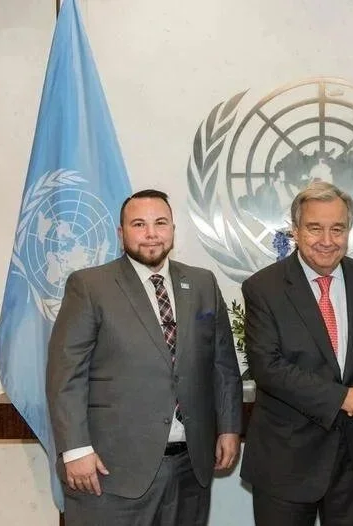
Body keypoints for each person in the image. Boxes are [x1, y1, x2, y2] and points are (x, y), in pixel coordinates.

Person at [46, 189, 243, 526]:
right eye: (139, 224)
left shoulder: (202, 283)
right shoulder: (90, 286)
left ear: (172, 230)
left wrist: (228, 428)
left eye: (160, 223)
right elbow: (65, 374)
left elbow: (222, 365)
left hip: (189, 467)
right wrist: (76, 450)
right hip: (111, 472)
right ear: (121, 234)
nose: (151, 233)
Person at [240, 181, 353, 526]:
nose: (327, 240)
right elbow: (269, 368)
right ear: (295, 231)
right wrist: (343, 398)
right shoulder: (263, 288)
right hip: (286, 460)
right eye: (314, 228)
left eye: (337, 229)